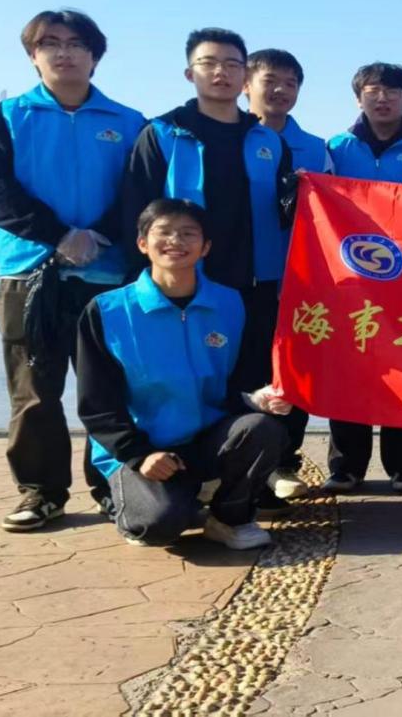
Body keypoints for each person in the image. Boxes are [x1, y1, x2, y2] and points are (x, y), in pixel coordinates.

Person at [0, 8, 145, 532]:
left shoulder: (129, 122)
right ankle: (41, 492)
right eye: (50, 43)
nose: (64, 52)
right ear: (33, 56)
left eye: (76, 43)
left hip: (108, 275)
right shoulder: (6, 119)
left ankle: (113, 488)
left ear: (95, 56)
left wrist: (96, 236)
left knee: (110, 389)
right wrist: (60, 235)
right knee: (34, 390)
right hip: (30, 274)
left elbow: (140, 190)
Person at [119, 28, 295, 511]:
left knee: (255, 381)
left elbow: (285, 212)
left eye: (232, 64)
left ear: (245, 76)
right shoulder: (162, 134)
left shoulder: (267, 140)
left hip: (256, 284)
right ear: (189, 72)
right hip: (187, 285)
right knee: (189, 377)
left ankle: (250, 485)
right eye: (209, 63)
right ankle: (178, 478)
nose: (221, 73)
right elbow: (137, 209)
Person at [76, 198, 290, 549]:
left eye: (189, 233)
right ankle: (127, 496)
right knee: (158, 527)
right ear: (142, 243)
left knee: (263, 428)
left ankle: (229, 518)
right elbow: (97, 403)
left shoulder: (232, 305)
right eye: (164, 232)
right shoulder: (108, 311)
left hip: (207, 439)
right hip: (144, 449)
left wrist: (258, 398)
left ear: (205, 247)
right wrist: (139, 454)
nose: (176, 241)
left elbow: (241, 380)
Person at [322, 62, 402, 493]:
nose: (383, 98)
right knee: (349, 367)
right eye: (373, 90)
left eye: (393, 91)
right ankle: (346, 466)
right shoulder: (336, 148)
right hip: (349, 277)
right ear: (359, 97)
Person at [243, 48, 323, 498]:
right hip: (237, 277)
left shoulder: (317, 147)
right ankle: (242, 465)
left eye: (290, 83)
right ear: (246, 85)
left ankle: (285, 462)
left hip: (298, 281)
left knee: (293, 371)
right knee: (242, 371)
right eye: (270, 80)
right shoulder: (229, 139)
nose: (280, 90)